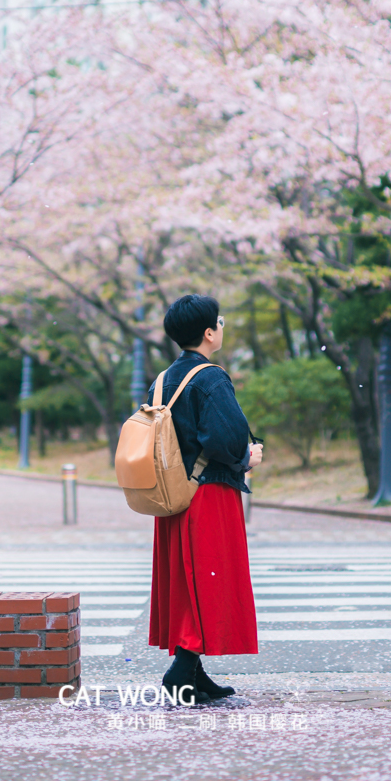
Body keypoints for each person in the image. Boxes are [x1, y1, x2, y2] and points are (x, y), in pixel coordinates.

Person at [147, 293, 263, 700]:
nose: (222, 327)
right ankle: (181, 669)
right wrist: (248, 456)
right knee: (210, 579)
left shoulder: (163, 379)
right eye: (220, 321)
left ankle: (194, 674)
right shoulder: (211, 377)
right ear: (209, 332)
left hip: (174, 494)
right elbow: (225, 439)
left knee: (188, 580)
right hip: (208, 494)